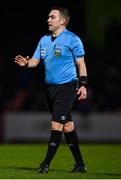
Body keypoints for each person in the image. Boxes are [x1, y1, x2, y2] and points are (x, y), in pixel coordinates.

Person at [15, 6, 88, 173]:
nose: (48, 19)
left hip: (67, 87)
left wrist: (83, 84)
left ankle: (45, 163)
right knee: (67, 126)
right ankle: (80, 165)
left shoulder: (73, 39)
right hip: (50, 89)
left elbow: (81, 63)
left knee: (56, 125)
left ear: (62, 20)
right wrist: (27, 63)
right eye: (48, 17)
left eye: (52, 17)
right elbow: (35, 61)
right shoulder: (44, 40)